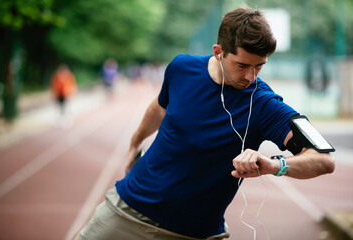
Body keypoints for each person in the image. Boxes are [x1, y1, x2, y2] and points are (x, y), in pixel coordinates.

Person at [74, 7, 335, 240]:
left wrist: (274, 165)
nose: (250, 76)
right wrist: (135, 141)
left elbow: (324, 160)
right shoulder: (181, 68)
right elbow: (159, 107)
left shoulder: (264, 103)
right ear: (218, 52)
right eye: (242, 65)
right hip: (129, 210)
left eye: (259, 66)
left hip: (195, 233)